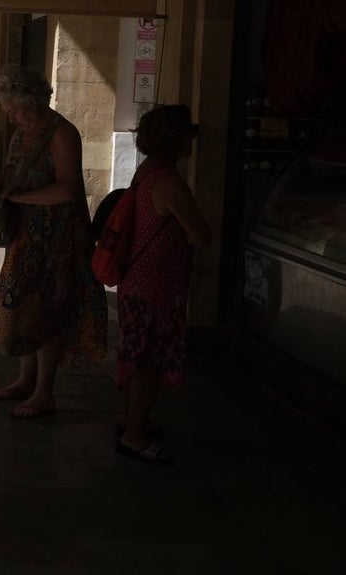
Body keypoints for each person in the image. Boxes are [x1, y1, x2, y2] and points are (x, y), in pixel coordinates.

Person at [0, 65, 107, 418]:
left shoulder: (62, 134)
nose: (13, 118)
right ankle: (24, 379)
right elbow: (11, 170)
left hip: (58, 237)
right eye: (9, 112)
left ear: (32, 101)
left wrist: (17, 198)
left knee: (49, 309)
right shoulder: (22, 134)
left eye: (16, 110)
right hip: (26, 236)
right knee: (22, 305)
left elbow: (67, 189)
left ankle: (44, 392)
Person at [115, 105, 211, 464]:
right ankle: (134, 435)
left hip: (136, 280)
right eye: (190, 131)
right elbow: (202, 237)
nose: (193, 138)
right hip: (158, 284)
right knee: (149, 362)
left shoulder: (147, 171)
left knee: (139, 356)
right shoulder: (169, 183)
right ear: (177, 138)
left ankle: (130, 419)